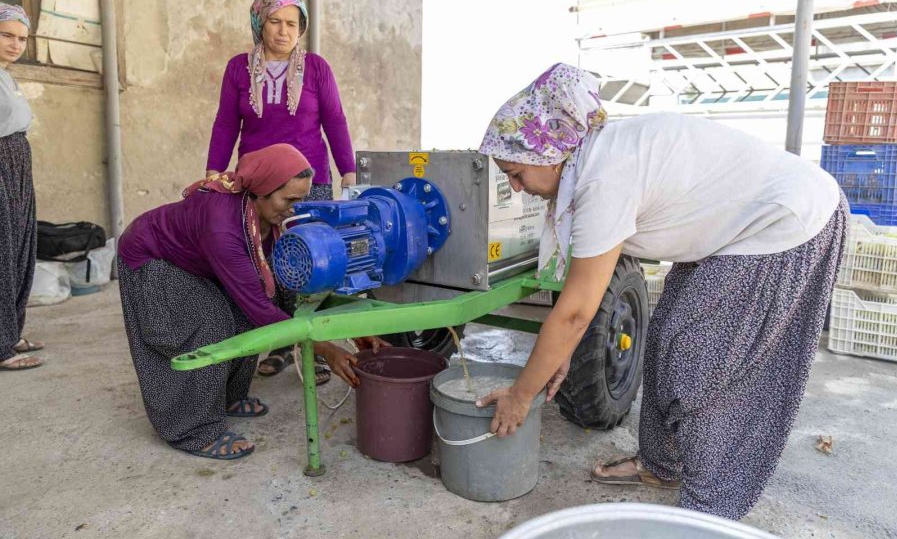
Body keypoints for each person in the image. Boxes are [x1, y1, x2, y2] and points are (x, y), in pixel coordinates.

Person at [475, 63, 847, 519]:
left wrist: (520, 395)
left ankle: (709, 513)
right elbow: (582, 292)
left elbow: (574, 313)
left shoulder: (602, 177)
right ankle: (662, 466)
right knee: (667, 337)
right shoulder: (592, 160)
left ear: (548, 150)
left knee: (703, 371)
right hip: (730, 234)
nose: (516, 188)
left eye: (516, 174)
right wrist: (560, 353)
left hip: (787, 223)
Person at [118, 144, 383, 460]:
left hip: (194, 259)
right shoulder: (223, 225)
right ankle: (193, 430)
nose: (294, 209)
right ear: (262, 191)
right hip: (150, 256)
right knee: (207, 323)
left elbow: (286, 288)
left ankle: (229, 396)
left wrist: (350, 330)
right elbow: (259, 308)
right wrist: (326, 347)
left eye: (301, 200)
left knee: (241, 318)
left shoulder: (263, 217)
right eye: (289, 200)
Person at [205, 0, 358, 377]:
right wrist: (214, 170)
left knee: (311, 263)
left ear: (301, 27)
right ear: (260, 23)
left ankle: (317, 349)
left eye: (292, 23)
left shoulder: (317, 68)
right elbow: (226, 122)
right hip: (259, 183)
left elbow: (335, 121)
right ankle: (279, 343)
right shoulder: (238, 69)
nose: (284, 30)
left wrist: (349, 171)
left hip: (309, 183)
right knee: (267, 262)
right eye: (275, 21)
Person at [0, 3, 44, 371]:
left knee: (19, 248)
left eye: (21, 38)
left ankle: (10, 331)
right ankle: (0, 347)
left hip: (16, 165)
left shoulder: (7, 76)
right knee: (2, 251)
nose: (16, 44)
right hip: (1, 165)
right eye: (7, 35)